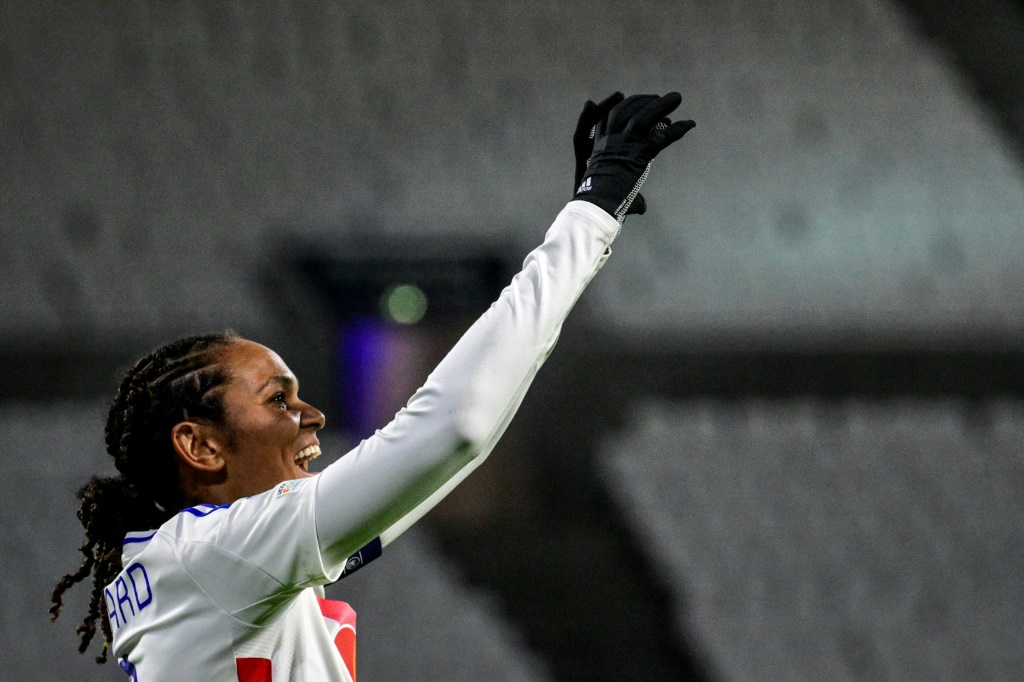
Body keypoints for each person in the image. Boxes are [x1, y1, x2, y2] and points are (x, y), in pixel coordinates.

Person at [49, 92, 695, 681]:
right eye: (277, 400)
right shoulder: (223, 550)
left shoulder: (181, 559)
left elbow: (425, 474)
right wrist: (589, 217)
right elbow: (453, 429)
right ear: (201, 446)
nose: (312, 416)